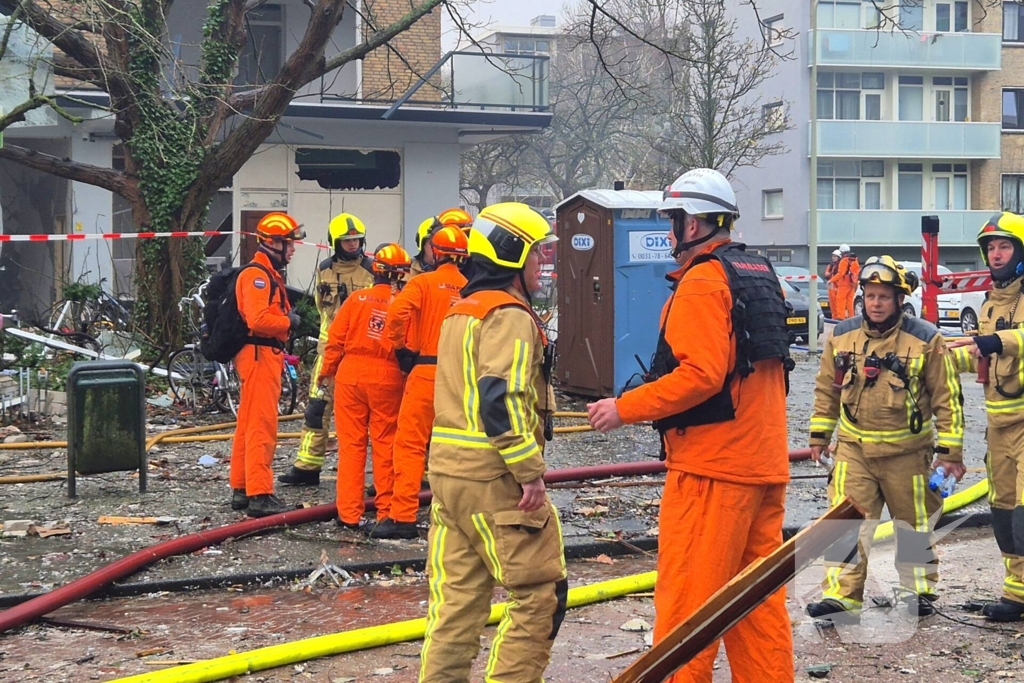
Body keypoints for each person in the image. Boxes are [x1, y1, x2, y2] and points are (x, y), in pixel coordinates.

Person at [587, 168, 794, 682]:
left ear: (693, 224)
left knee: (688, 610)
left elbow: (700, 375)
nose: (670, 231)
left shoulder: (703, 281)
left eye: (673, 220)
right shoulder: (758, 273)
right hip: (762, 464)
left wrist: (625, 407)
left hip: (713, 471)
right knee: (756, 606)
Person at [419, 202, 564, 683]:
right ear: (511, 253)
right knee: (541, 596)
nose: (542, 264)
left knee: (456, 607)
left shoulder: (461, 311)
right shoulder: (509, 316)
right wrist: (530, 472)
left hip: (448, 478)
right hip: (494, 479)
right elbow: (500, 400)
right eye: (537, 253)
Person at [806, 255, 964, 622]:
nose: (876, 304)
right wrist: (819, 435)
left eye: (884, 297)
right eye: (870, 296)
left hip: (907, 453)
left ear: (899, 300)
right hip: (854, 450)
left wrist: (950, 451)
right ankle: (841, 598)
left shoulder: (926, 339)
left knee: (913, 524)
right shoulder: (841, 336)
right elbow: (826, 389)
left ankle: (917, 591)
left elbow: (948, 397)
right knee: (844, 522)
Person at [948, 212, 1024, 621]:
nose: (996, 254)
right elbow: (980, 354)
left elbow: (1002, 342)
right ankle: (1016, 594)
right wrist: (940, 356)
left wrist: (999, 339)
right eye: (991, 248)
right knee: (1005, 511)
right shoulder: (990, 303)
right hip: (999, 426)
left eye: (1004, 246)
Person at [372, 227, 470, 540]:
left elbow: (396, 314)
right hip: (460, 376)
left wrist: (400, 348)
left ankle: (402, 517)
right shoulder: (470, 288)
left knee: (410, 444)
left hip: (426, 371)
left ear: (436, 252)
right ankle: (458, 513)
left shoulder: (422, 283)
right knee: (456, 445)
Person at [316, 243, 411, 529]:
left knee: (351, 446)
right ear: (401, 274)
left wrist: (326, 373)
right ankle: (385, 512)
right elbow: (410, 346)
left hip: (351, 375)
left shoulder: (356, 300)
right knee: (385, 446)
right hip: (388, 377)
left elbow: (335, 341)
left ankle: (348, 514)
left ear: (376, 271)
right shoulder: (403, 304)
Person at [278, 213, 374, 487]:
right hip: (328, 352)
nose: (353, 244)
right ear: (335, 242)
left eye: (357, 240)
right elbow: (323, 311)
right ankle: (307, 466)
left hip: (359, 354)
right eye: (347, 241)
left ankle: (375, 475)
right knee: (317, 409)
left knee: (366, 416)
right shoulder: (325, 269)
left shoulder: (372, 270)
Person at [229, 212, 305, 518]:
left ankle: (242, 487)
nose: (293, 249)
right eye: (289, 244)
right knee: (262, 425)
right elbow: (258, 320)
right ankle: (259, 494)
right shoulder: (258, 276)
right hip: (260, 355)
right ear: (273, 243)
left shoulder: (265, 273)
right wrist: (289, 321)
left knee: (248, 424)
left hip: (258, 354)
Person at [830, 243, 861, 319]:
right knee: (850, 301)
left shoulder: (844, 261)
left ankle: (841, 317)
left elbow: (840, 273)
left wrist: (831, 280)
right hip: (852, 283)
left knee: (840, 300)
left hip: (844, 283)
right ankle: (851, 317)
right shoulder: (855, 260)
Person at [825, 249, 842, 319]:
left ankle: (838, 315)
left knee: (837, 302)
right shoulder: (831, 265)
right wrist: (827, 274)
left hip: (837, 285)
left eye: (835, 256)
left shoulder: (840, 265)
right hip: (830, 285)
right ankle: (834, 316)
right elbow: (826, 273)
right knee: (832, 302)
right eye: (833, 256)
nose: (833, 258)